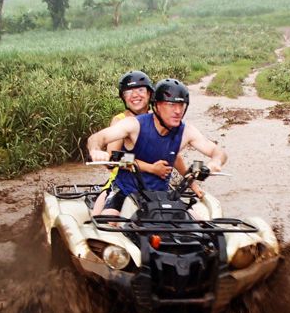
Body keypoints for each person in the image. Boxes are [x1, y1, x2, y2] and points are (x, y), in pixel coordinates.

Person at [88, 78, 227, 216]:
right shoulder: (133, 124)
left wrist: (215, 163)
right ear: (157, 106)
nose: (178, 111)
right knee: (109, 220)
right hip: (125, 191)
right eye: (171, 105)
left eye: (181, 105)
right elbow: (98, 138)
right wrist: (95, 150)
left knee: (196, 224)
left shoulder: (186, 131)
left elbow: (217, 151)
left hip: (159, 196)